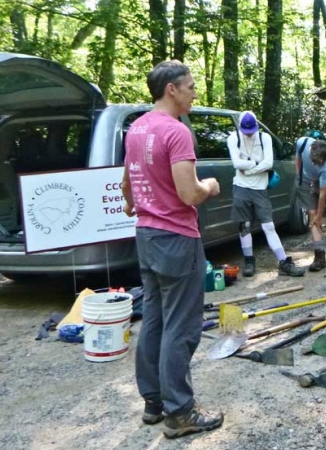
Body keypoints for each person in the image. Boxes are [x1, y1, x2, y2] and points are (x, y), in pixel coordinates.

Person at [122, 60, 223, 439]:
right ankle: (180, 412)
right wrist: (210, 186)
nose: (195, 92)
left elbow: (126, 189)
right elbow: (189, 193)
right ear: (172, 90)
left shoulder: (137, 128)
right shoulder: (176, 131)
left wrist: (140, 204)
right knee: (181, 326)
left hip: (146, 236)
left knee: (155, 320)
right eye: (191, 86)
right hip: (177, 239)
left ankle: (153, 402)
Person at [227, 111, 305, 277]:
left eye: (252, 130)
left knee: (268, 225)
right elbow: (236, 162)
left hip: (260, 188)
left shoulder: (264, 138)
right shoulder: (234, 138)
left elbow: (268, 163)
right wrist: (257, 165)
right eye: (246, 131)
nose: (249, 133)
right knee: (244, 226)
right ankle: (249, 260)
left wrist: (248, 169)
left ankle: (284, 261)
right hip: (241, 187)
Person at [296, 135, 326, 273]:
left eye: (318, 163)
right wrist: (298, 177)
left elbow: (323, 194)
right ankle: (319, 256)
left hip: (322, 182)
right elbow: (298, 158)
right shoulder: (302, 142)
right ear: (311, 149)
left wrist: (320, 216)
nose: (314, 164)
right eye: (313, 160)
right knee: (312, 214)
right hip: (305, 180)